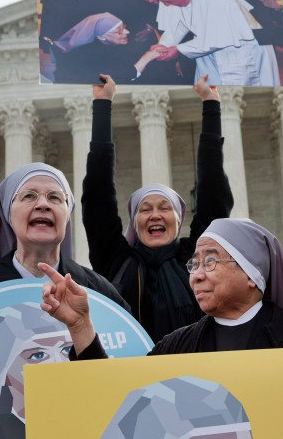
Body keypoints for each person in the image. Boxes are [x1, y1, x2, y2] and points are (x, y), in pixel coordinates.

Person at [41, 218, 283, 360]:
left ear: (251, 274)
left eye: (210, 261)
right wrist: (81, 326)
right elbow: (115, 397)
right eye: (194, 264)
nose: (196, 276)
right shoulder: (176, 346)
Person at [82, 74, 233, 342]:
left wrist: (211, 105)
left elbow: (213, 194)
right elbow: (97, 195)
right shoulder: (117, 260)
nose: (155, 214)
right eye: (145, 209)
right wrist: (102, 105)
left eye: (164, 208)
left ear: (179, 219)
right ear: (134, 222)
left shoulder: (195, 257)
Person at [0, 162, 129, 319]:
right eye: (29, 196)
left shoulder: (104, 295)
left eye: (55, 197)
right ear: (8, 214)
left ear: (67, 215)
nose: (43, 204)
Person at [0, 302, 72, 439]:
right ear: (3, 371)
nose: (58, 364)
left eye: (67, 350)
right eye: (38, 355)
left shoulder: (83, 417)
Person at [143, 0, 280, 86]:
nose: (165, 5)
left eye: (167, 1)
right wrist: (164, 44)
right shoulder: (168, 0)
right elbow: (178, 24)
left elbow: (219, 36)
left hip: (239, 52)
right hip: (206, 50)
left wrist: (178, 49)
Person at [47, 12, 161, 84]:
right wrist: (147, 57)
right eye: (119, 31)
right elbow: (123, 77)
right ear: (102, 37)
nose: (127, 32)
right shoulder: (90, 56)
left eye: (124, 27)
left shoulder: (106, 43)